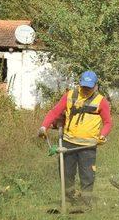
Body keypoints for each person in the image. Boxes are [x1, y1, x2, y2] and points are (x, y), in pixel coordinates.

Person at [38, 71, 112, 203]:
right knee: (66, 174)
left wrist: (102, 136)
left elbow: (107, 123)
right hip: (68, 142)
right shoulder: (69, 95)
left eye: (89, 87)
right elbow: (55, 112)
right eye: (84, 86)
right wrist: (44, 127)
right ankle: (69, 200)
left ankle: (85, 203)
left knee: (87, 176)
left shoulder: (101, 101)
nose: (86, 89)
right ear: (79, 84)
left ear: (95, 86)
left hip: (88, 146)